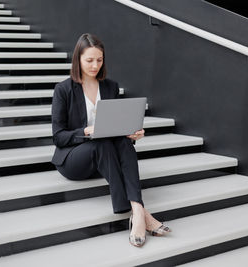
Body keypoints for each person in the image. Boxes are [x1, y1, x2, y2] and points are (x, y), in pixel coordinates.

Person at [51, 33, 170, 247]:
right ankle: (142, 213)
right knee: (100, 142)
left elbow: (116, 127)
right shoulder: (63, 90)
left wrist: (132, 133)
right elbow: (58, 136)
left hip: (104, 155)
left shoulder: (110, 87)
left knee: (122, 142)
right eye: (89, 60)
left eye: (99, 59)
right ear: (78, 59)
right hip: (73, 160)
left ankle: (136, 212)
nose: (95, 65)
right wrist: (86, 131)